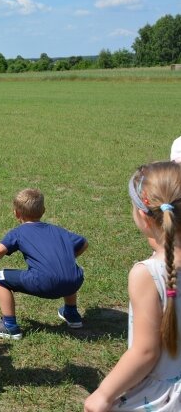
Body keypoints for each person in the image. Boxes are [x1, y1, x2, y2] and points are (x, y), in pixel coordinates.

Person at [85, 162, 181, 411]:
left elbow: (145, 352)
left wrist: (103, 394)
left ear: (143, 215)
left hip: (162, 399)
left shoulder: (148, 274)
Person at [0, 188, 88, 339]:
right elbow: (83, 242)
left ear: (16, 213)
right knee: (67, 268)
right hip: (74, 281)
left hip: (43, 282)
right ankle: (72, 313)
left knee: (0, 277)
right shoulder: (58, 230)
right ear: (43, 210)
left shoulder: (18, 232)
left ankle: (9, 325)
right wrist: (69, 258)